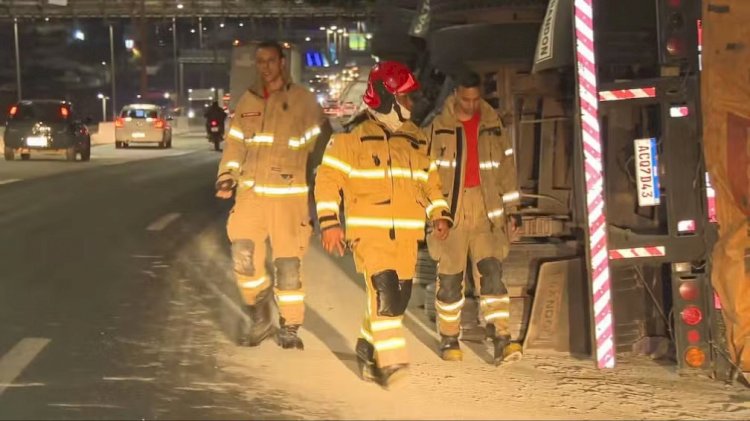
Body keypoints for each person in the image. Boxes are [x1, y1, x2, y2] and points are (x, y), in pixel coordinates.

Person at [315, 61, 452, 388]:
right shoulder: (351, 137)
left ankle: (366, 344)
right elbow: (327, 180)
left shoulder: (415, 139)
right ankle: (391, 364)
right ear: (387, 97)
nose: (412, 104)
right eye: (405, 98)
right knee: (386, 295)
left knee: (397, 300)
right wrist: (329, 222)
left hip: (405, 237)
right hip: (369, 235)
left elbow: (429, 182)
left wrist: (439, 213)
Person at [215, 40, 325, 350]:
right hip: (251, 196)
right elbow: (234, 145)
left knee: (288, 267)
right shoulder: (247, 103)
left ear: (282, 63)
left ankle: (290, 325)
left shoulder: (303, 101)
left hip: (288, 199)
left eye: (271, 61)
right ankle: (260, 314)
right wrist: (226, 177)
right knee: (244, 256)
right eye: (260, 61)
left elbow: (320, 147)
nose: (265, 67)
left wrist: (321, 187)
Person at [425, 70, 523, 365]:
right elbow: (426, 177)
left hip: (486, 212)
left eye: (476, 99)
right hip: (451, 216)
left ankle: (502, 338)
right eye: (465, 99)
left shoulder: (493, 126)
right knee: (451, 282)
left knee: (492, 275)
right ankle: (449, 338)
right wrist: (436, 215)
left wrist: (512, 213)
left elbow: (507, 170)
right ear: (455, 94)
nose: (471, 105)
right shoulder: (437, 129)